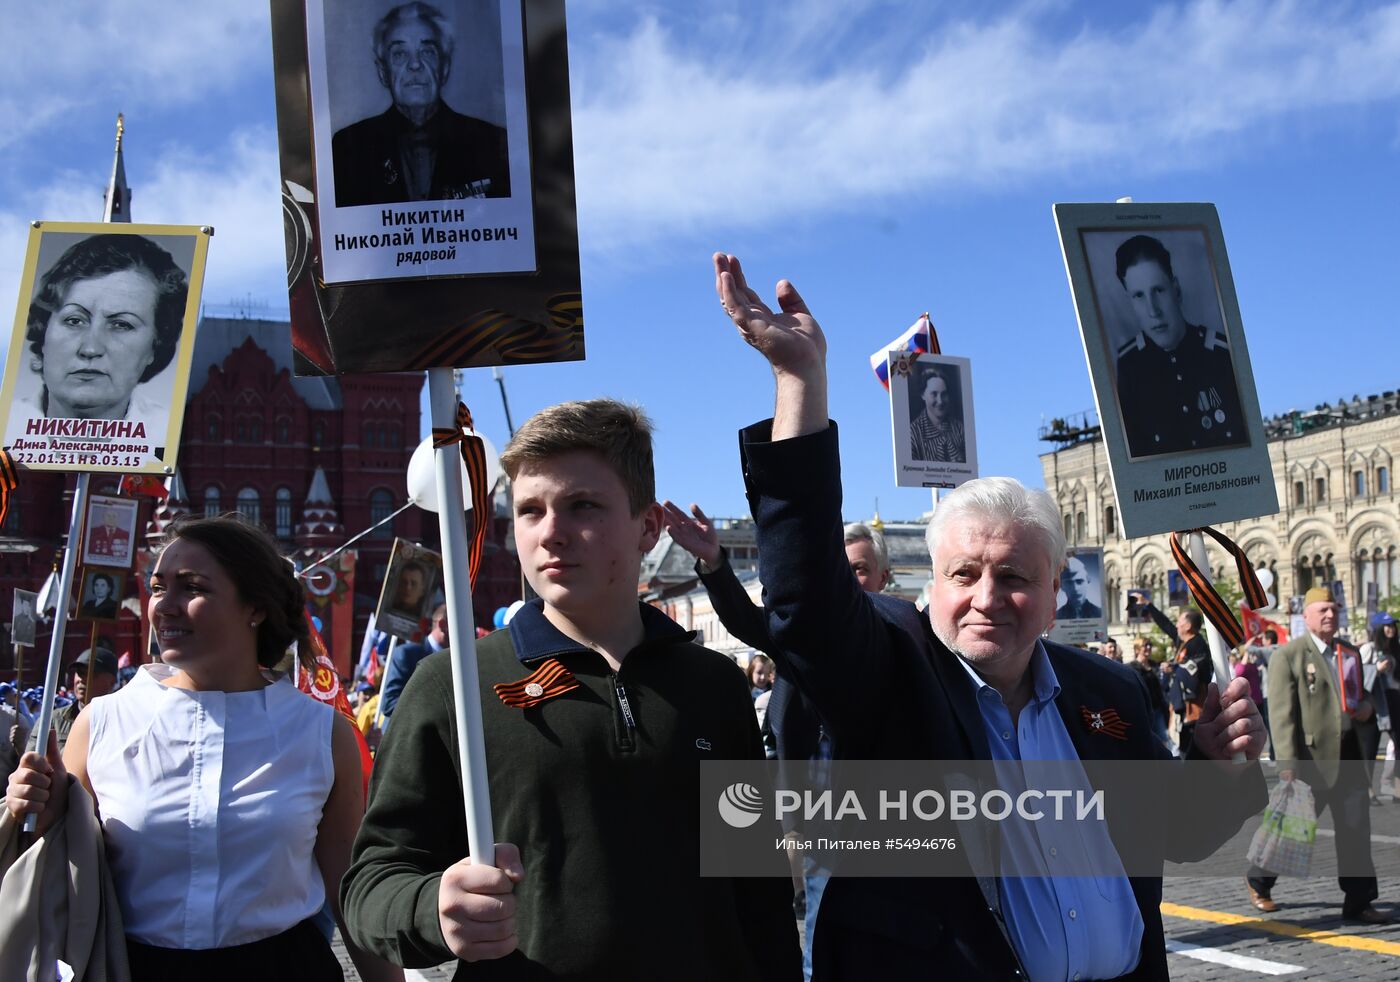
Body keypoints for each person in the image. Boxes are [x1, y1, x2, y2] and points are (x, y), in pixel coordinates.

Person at [715, 251, 1264, 980]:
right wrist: (799, 386)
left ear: (1052, 588)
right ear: (931, 583)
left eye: (1013, 576)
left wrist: (1215, 768)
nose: (986, 597)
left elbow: (1177, 837)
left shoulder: (1110, 694)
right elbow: (806, 605)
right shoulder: (890, 684)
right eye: (965, 574)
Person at [342, 398, 799, 977]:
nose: (551, 532)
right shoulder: (454, 682)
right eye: (531, 510)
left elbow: (758, 889)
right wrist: (434, 909)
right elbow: (370, 883)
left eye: (582, 505)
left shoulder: (712, 684)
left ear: (649, 527)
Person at [5, 515, 401, 979]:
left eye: (191, 587)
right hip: (132, 968)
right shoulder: (103, 722)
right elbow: (56, 869)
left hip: (283, 968)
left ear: (254, 607)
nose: (164, 606)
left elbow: (347, 891)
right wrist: (33, 815)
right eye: (157, 587)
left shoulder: (320, 732)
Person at [661, 501, 893, 982]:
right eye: (841, 569)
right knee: (816, 927)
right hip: (811, 818)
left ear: (885, 578)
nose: (850, 581)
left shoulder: (901, 634)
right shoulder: (803, 637)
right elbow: (746, 619)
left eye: (861, 570)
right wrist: (715, 562)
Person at [1247, 586, 1388, 923]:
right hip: (1311, 761)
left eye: (1333, 609)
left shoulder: (1349, 652)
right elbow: (1281, 714)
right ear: (1306, 616)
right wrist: (1287, 765)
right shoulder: (1290, 655)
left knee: (1355, 830)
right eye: (1322, 610)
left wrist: (1367, 708)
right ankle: (1260, 879)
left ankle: (1359, 900)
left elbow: (1362, 695)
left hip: (1350, 758)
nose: (1329, 615)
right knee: (1294, 828)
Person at [332, 2, 511, 207]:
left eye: (427, 51)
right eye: (399, 53)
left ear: (445, 68)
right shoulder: (347, 149)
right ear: (383, 72)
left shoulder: (493, 144)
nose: (415, 64)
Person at [18, 233, 187, 424]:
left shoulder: (170, 433)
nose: (90, 349)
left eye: (121, 325)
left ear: (155, 347)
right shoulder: (7, 426)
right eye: (74, 321)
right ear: (43, 333)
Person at [1111, 234, 1246, 457]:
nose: (1153, 310)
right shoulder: (1129, 367)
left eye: (1159, 291)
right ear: (1130, 302)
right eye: (1139, 296)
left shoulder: (1221, 355)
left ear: (1176, 289)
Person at [1133, 592, 1212, 752]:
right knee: (1183, 747)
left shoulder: (1198, 644)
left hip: (1195, 708)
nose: (1176, 625)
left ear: (1188, 626)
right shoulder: (1182, 642)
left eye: (1180, 622)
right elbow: (1166, 624)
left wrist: (1175, 667)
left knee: (1194, 748)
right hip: (1181, 707)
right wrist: (1148, 605)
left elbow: (1199, 669)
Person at [376, 603, 447, 729]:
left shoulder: (463, 662)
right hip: (406, 741)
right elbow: (390, 704)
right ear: (442, 625)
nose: (471, 630)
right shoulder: (407, 654)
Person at [48, 643, 120, 754]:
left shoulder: (123, 720)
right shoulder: (54, 720)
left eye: (91, 674)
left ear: (112, 682)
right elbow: (34, 760)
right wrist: (21, 744)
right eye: (80, 673)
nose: (82, 679)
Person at [1363, 613, 1400, 798]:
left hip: (1394, 699)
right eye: (1387, 625)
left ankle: (1397, 788)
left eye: (1393, 625)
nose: (1391, 628)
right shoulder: (1369, 648)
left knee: (1398, 743)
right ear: (1378, 629)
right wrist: (1375, 670)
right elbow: (1356, 674)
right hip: (1375, 701)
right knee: (1370, 747)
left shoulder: (1396, 649)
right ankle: (1368, 789)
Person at [908, 364, 965, 463]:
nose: (940, 401)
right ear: (923, 395)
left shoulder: (960, 429)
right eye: (934, 394)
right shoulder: (913, 434)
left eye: (944, 394)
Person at [1055, 556, 1102, 620]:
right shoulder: (1057, 617)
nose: (1075, 589)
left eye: (1079, 581)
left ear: (1088, 581)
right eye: (1069, 583)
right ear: (1061, 586)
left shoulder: (1099, 614)